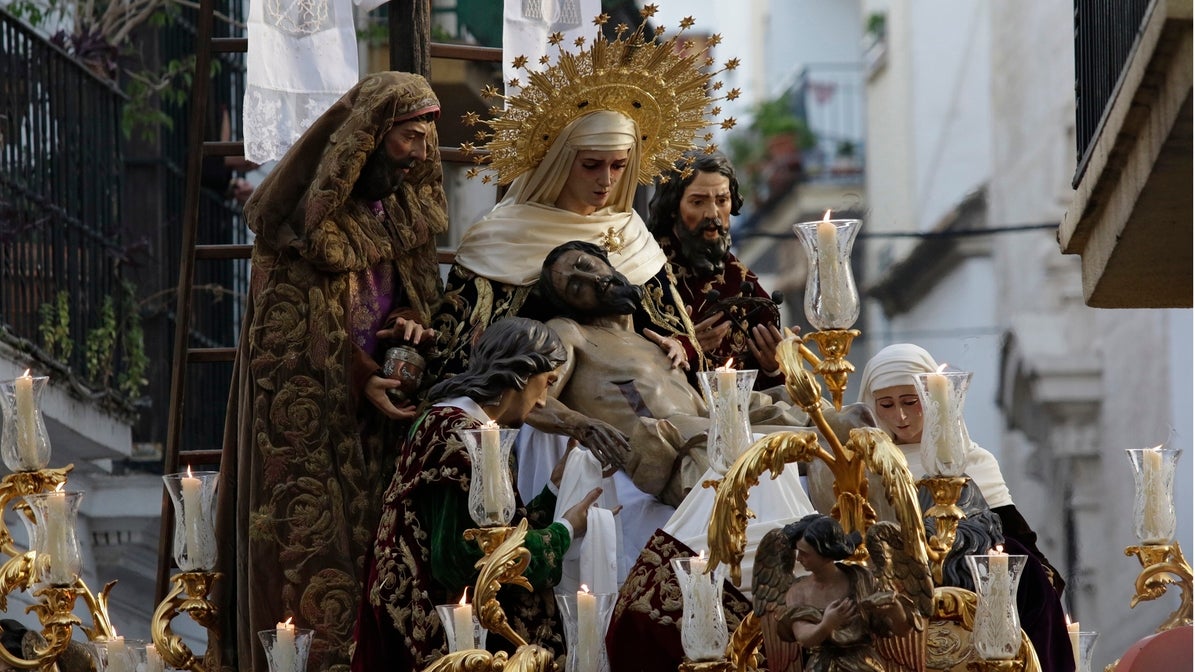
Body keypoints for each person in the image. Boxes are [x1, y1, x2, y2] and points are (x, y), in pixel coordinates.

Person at [214, 71, 448, 672]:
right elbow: (285, 337)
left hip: (385, 429)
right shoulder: (301, 227)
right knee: (317, 579)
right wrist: (359, 374)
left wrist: (410, 324)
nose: (419, 154)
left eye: (427, 138)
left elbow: (412, 297)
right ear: (367, 137)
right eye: (408, 137)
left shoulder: (403, 216)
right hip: (314, 426)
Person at [431, 16, 734, 468]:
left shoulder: (634, 237)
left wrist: (680, 346)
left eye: (618, 166)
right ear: (558, 161)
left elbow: (674, 337)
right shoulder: (501, 238)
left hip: (654, 421)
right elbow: (465, 355)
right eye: (592, 165)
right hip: (546, 434)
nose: (606, 181)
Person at [351, 317, 602, 670]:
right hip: (447, 636)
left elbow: (488, 527)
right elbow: (464, 560)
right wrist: (564, 531)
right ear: (519, 374)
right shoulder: (463, 438)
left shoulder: (448, 421)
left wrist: (552, 491)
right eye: (545, 384)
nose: (544, 401)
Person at [843, 342, 1074, 672]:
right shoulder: (864, 466)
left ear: (932, 399)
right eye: (886, 405)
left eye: (911, 402)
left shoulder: (975, 462)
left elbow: (1014, 534)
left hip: (970, 585)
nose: (901, 416)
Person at [535, 241, 812, 507]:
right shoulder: (571, 333)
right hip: (682, 449)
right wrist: (583, 425)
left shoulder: (650, 340)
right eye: (575, 287)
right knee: (819, 445)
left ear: (604, 259)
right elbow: (534, 399)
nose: (592, 280)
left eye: (586, 265)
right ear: (571, 306)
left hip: (715, 421)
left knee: (838, 419)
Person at [647, 150, 788, 388]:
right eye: (698, 202)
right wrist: (687, 347)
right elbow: (627, 364)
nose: (712, 214)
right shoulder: (647, 272)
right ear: (673, 207)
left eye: (722, 201)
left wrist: (773, 366)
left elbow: (769, 380)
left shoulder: (739, 277)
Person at [777, 514, 918, 672]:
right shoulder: (798, 592)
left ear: (826, 554)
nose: (798, 559)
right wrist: (827, 625)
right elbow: (803, 637)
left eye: (805, 553)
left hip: (863, 665)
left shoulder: (862, 580)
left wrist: (896, 611)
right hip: (821, 667)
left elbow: (902, 631)